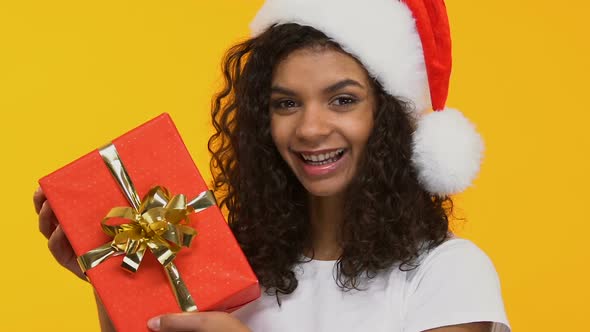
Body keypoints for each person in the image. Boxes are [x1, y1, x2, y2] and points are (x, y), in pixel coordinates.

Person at [34, 0, 510, 331]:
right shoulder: (226, 262)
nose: (309, 129)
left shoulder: (448, 271)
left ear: (388, 117)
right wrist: (113, 279)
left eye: (342, 100)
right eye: (286, 104)